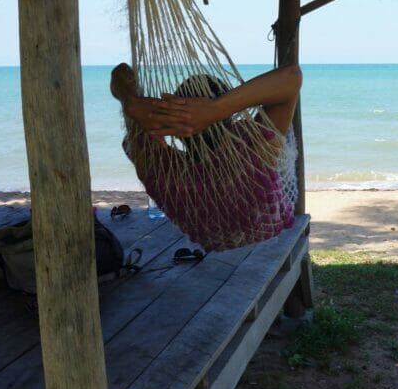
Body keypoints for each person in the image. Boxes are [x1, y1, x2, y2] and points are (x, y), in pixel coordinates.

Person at [110, 62, 302, 251]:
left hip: (208, 236)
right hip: (259, 222)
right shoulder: (254, 152)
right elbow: (292, 75)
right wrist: (215, 109)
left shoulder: (159, 170)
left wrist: (131, 102)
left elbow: (121, 73)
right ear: (229, 116)